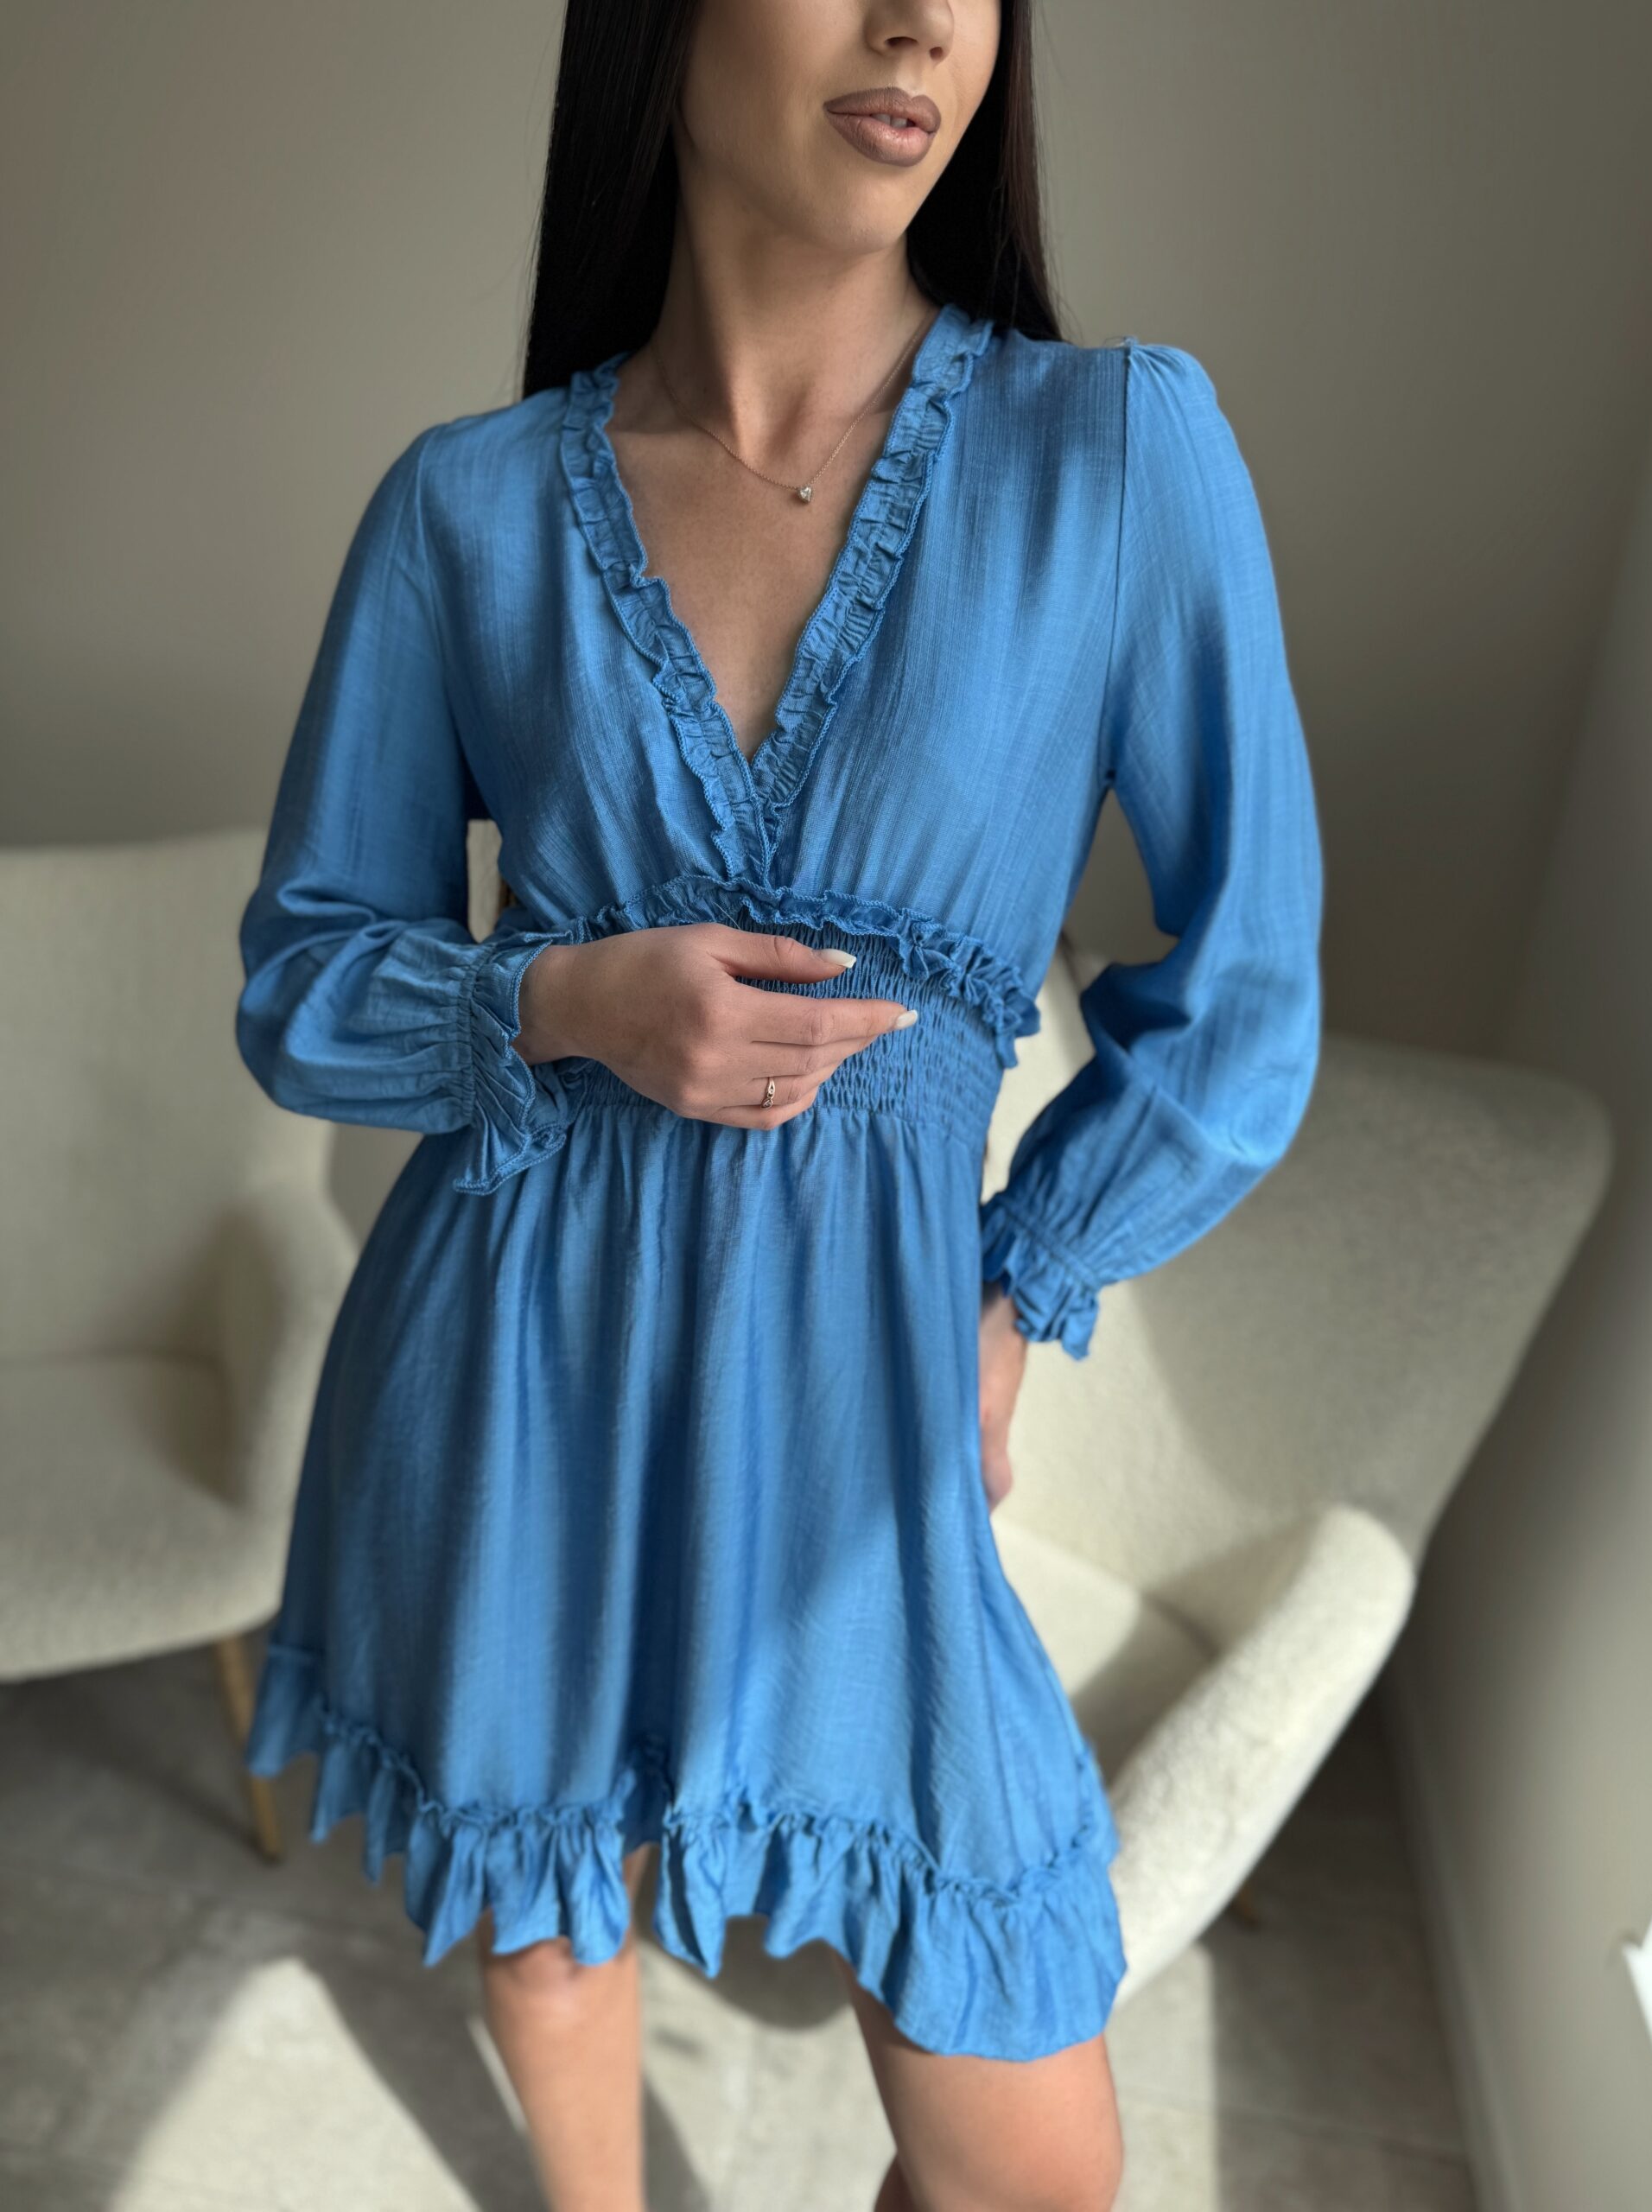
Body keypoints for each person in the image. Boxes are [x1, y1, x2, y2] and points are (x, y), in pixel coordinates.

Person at [233, 1, 1325, 2205]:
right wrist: (564, 998)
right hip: (512, 1367)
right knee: (551, 1921)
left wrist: (1020, 1285)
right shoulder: (464, 505)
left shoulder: (1115, 456)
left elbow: (1247, 1002)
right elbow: (301, 983)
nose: (925, 22)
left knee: (1033, 2161)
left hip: (863, 1415)